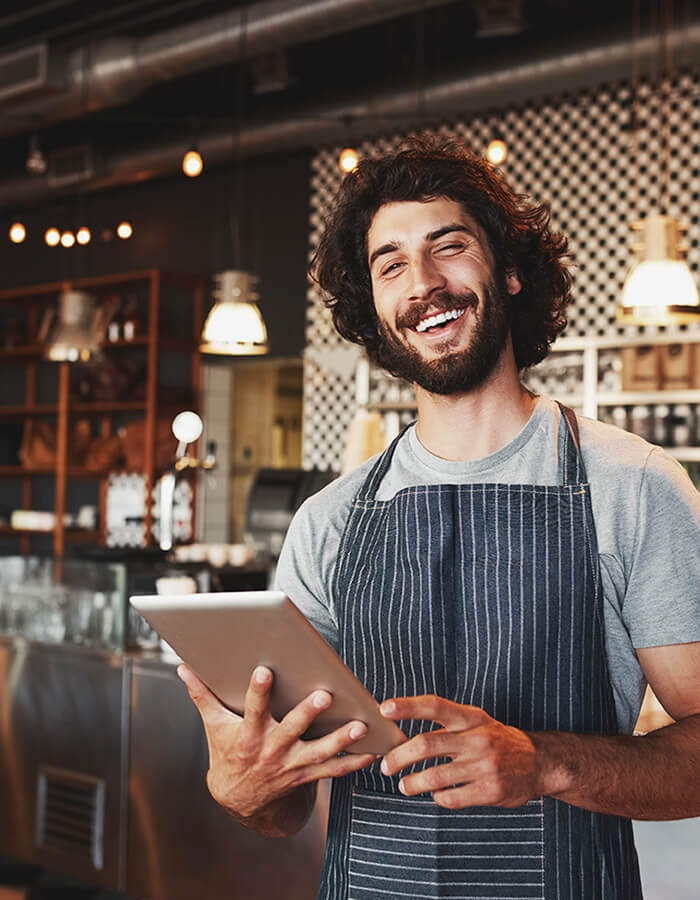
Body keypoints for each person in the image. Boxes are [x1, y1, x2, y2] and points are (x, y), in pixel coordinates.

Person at [178, 136, 700, 899]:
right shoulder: (329, 522)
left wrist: (545, 763)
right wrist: (242, 784)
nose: (422, 282)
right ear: (377, 311)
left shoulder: (634, 487)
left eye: (448, 247)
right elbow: (282, 809)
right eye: (391, 265)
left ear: (510, 271)